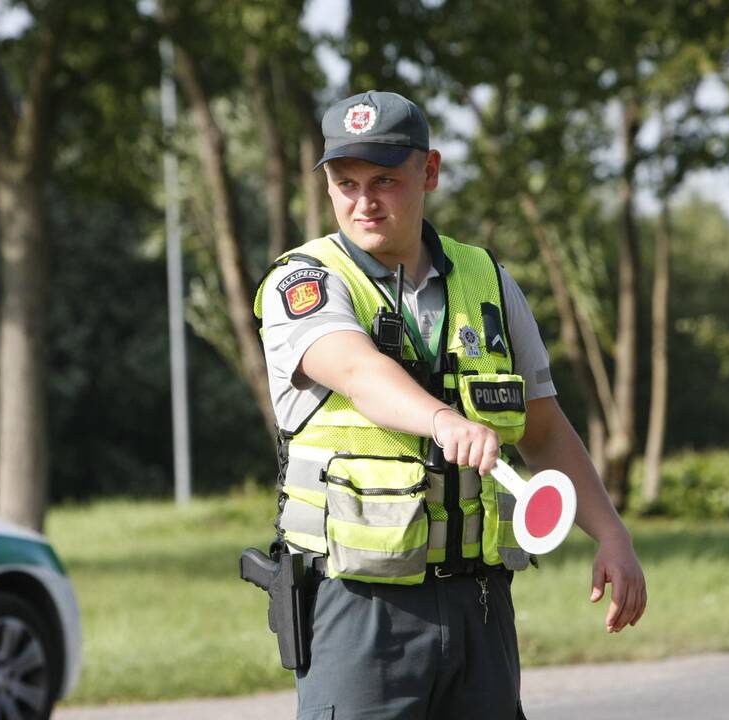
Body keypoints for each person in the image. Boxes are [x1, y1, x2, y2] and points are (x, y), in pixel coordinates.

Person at [253, 90, 646, 720]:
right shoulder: (304, 281)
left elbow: (542, 429)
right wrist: (441, 419)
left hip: (479, 605)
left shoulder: (487, 281)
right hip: (360, 606)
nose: (363, 202)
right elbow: (356, 369)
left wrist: (612, 534)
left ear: (428, 172)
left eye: (384, 179)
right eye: (345, 182)